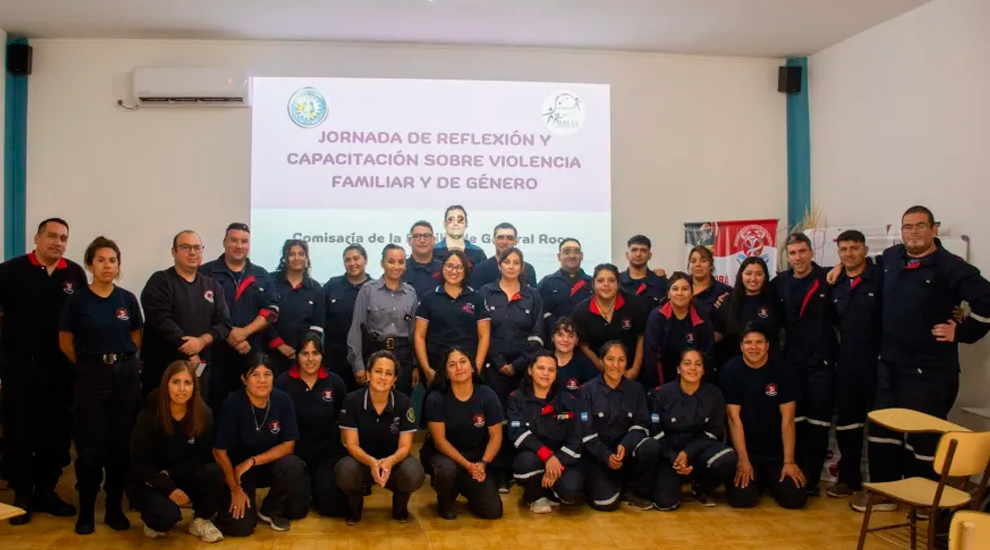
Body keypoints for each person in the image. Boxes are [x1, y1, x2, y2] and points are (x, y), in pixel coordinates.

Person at [848, 206, 990, 512]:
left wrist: (962, 330)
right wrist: (836, 270)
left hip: (930, 371)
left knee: (924, 437)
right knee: (883, 430)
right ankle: (885, 493)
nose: (913, 232)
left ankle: (926, 501)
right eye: (908, 227)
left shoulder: (950, 265)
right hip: (889, 365)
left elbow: (986, 298)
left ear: (933, 229)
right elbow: (867, 266)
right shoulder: (893, 257)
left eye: (920, 226)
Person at [0, 218, 87, 524]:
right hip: (20, 372)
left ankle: (47, 491)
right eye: (51, 236)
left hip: (61, 373)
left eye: (63, 237)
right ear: (37, 238)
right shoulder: (10, 271)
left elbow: (82, 319)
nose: (58, 242)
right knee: (21, 433)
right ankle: (22, 494)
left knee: (56, 435)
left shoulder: (74, 274)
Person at [59, 236, 143, 534]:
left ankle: (114, 508)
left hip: (125, 377)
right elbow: (66, 343)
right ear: (90, 264)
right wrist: (93, 364)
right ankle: (85, 512)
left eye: (113, 260)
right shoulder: (77, 301)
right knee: (91, 447)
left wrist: (120, 363)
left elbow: (135, 338)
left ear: (118, 266)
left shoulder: (127, 299)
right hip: (91, 377)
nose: (108, 266)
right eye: (101, 260)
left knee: (120, 447)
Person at [128, 361, 225, 542]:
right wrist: (167, 486)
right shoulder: (149, 415)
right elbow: (138, 462)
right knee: (165, 520)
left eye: (187, 383)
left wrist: (172, 474)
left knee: (215, 472)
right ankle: (153, 520)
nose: (181, 389)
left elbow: (201, 456)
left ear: (195, 387)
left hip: (181, 473)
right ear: (166, 384)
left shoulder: (204, 414)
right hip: (149, 480)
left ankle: (200, 519)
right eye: (176, 382)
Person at [772, 233, 837, 496]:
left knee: (818, 423)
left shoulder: (828, 279)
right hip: (791, 362)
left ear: (811, 252)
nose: (797, 257)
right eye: (793, 253)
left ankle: (811, 479)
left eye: (802, 251)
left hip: (822, 361)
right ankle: (793, 472)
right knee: (793, 420)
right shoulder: (780, 283)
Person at [213, 356, 309, 535]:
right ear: (244, 379)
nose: (262, 380)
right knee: (239, 528)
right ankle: (225, 504)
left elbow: (288, 445)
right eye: (255, 375)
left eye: (267, 374)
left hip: (265, 464)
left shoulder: (283, 400)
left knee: (293, 465)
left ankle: (270, 509)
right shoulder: (232, 405)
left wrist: (252, 461)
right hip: (238, 471)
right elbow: (219, 452)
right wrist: (235, 489)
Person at [721, 323, 807, 510]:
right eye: (748, 342)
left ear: (767, 345)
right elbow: (733, 419)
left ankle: (769, 479)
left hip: (776, 451)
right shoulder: (730, 370)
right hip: (746, 450)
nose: (754, 347)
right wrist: (743, 460)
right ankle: (758, 479)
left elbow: (788, 420)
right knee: (741, 500)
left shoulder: (783, 370)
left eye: (759, 342)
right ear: (741, 346)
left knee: (795, 500)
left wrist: (789, 461)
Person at [479, 246, 544, 492]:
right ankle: (497, 472)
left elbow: (537, 335)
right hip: (492, 369)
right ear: (500, 265)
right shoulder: (486, 293)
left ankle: (515, 470)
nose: (511, 266)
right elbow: (484, 332)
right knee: (496, 421)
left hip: (522, 370)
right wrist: (499, 363)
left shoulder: (533, 295)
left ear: (522, 267)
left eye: (517, 263)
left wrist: (518, 364)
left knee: (518, 419)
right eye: (507, 262)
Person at [336, 351, 425, 525]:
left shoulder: (404, 402)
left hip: (394, 463)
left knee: (413, 472)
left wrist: (390, 461)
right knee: (344, 470)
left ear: (394, 380)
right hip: (362, 462)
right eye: (378, 371)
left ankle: (400, 508)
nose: (383, 377)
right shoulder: (352, 401)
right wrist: (372, 463)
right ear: (368, 374)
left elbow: (405, 447)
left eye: (388, 373)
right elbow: (351, 445)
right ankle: (354, 508)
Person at [825, 230, 882, 499]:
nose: (849, 253)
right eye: (843, 249)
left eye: (854, 248)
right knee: (848, 424)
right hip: (845, 363)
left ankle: (884, 486)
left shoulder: (881, 277)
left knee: (883, 427)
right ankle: (849, 480)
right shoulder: (833, 283)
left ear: (865, 249)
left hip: (878, 363)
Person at [141, 230, 232, 397]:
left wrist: (201, 341)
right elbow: (161, 320)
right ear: (173, 251)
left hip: (199, 368)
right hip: (163, 367)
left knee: (197, 417)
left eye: (197, 248)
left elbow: (224, 323)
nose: (192, 252)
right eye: (185, 247)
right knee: (160, 418)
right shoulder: (160, 281)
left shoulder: (213, 286)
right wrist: (191, 350)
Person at [198, 223, 278, 411]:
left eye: (244, 241)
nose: (239, 246)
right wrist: (231, 337)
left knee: (248, 409)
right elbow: (201, 311)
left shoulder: (261, 275)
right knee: (211, 407)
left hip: (250, 355)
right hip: (214, 355)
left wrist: (243, 332)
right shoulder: (205, 272)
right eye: (234, 240)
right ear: (224, 242)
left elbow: (271, 312)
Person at [420, 347, 504, 520]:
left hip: (476, 458)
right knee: (447, 471)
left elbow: (496, 436)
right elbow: (440, 442)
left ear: (472, 367)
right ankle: (445, 500)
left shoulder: (487, 395)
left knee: (493, 511)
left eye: (463, 362)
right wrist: (468, 465)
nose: (459, 367)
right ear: (446, 372)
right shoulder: (436, 398)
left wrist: (483, 464)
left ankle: (466, 487)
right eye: (452, 364)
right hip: (443, 456)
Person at [649, 349, 735, 511]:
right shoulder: (662, 394)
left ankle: (701, 486)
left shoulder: (714, 394)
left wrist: (688, 453)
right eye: (687, 363)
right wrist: (675, 457)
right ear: (678, 369)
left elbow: (713, 432)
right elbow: (656, 433)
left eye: (698, 364)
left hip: (700, 450)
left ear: (703, 369)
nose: (693, 368)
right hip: (670, 454)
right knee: (666, 503)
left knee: (727, 458)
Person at [274, 334, 349, 518]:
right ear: (296, 356)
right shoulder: (282, 383)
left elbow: (345, 421)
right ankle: (304, 488)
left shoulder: (335, 383)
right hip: (295, 456)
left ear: (322, 355)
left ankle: (318, 488)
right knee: (294, 512)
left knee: (333, 507)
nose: (310, 359)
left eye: (315, 353)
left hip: (326, 455)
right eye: (304, 353)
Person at [579, 341, 659, 511]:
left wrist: (625, 445)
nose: (616, 365)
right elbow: (586, 433)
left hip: (626, 453)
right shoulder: (586, 390)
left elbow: (642, 424)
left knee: (651, 445)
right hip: (598, 456)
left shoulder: (636, 389)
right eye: (610, 359)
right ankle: (601, 486)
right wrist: (606, 455)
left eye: (621, 360)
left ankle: (633, 491)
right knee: (605, 504)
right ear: (601, 361)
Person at [507, 350, 585, 514]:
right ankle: (534, 496)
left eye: (551, 370)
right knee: (524, 464)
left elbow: (576, 437)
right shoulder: (517, 398)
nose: (545, 374)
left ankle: (552, 490)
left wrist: (556, 461)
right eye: (541, 368)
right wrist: (547, 456)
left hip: (562, 461)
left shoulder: (567, 400)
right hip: (534, 457)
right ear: (530, 370)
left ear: (556, 374)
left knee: (571, 493)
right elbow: (517, 433)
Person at [348, 244, 419, 395]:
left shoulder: (411, 293)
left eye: (401, 262)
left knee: (401, 403)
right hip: (375, 353)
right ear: (382, 263)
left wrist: (415, 365)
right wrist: (358, 365)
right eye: (391, 261)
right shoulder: (368, 290)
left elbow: (413, 333)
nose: (396, 266)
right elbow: (356, 329)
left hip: (403, 357)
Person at [413, 250, 491, 385]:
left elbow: (484, 336)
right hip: (436, 366)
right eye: (449, 266)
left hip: (467, 367)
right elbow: (419, 336)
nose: (454, 271)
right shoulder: (429, 297)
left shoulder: (477, 298)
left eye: (459, 267)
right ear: (442, 268)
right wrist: (426, 369)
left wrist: (476, 368)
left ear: (466, 270)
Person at [572, 264, 647, 380]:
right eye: (600, 281)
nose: (606, 284)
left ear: (618, 284)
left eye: (611, 280)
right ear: (593, 284)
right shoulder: (582, 311)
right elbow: (584, 347)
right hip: (598, 374)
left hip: (631, 372)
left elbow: (641, 337)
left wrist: (635, 370)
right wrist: (606, 370)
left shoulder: (635, 304)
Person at [643, 272, 713, 388]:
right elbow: (652, 356)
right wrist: (660, 388)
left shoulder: (702, 317)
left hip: (695, 381)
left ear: (692, 293)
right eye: (675, 289)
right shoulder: (657, 317)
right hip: (663, 382)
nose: (680, 293)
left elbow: (707, 355)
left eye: (685, 289)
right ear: (668, 293)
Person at [267, 239, 325, 375]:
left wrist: (304, 350)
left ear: (306, 258)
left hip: (303, 358)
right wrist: (280, 345)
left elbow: (318, 325)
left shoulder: (316, 289)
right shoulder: (271, 282)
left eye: (301, 254)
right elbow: (264, 317)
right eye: (291, 254)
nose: (297, 258)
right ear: (285, 258)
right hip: (272, 354)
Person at [713, 257, 783, 370]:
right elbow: (718, 334)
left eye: (759, 274)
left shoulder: (774, 301)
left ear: (765, 277)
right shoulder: (728, 301)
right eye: (748, 273)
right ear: (741, 276)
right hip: (734, 369)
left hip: (769, 369)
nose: (753, 279)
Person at [323, 244, 371, 390]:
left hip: (365, 359)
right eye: (347, 260)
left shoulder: (374, 287)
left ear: (366, 260)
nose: (352, 263)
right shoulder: (332, 285)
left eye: (356, 258)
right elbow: (321, 318)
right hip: (335, 358)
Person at [538, 238, 592, 338]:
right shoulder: (547, 283)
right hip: (556, 342)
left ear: (581, 256)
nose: (572, 256)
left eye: (576, 252)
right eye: (567, 252)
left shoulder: (592, 283)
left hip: (586, 341)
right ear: (559, 256)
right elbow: (539, 313)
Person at [471, 223, 538, 288]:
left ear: (515, 241)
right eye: (500, 237)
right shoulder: (480, 269)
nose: (505, 242)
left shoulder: (528, 269)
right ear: (493, 240)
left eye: (510, 238)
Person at [550, 317, 599, 393]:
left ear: (577, 340)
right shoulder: (543, 360)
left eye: (571, 336)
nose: (565, 339)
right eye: (560, 335)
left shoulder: (585, 365)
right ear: (553, 337)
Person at [619, 235, 668, 309]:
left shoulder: (661, 282)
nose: (638, 254)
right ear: (627, 255)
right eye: (634, 250)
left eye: (643, 250)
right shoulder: (616, 281)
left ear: (650, 255)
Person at [687, 245, 732, 319]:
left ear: (711, 265)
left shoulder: (724, 292)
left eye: (703, 260)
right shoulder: (681, 287)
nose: (698, 264)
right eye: (693, 261)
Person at [402, 220, 443, 299]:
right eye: (417, 236)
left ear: (434, 240)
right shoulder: (400, 268)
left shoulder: (444, 269)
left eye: (426, 236)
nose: (422, 240)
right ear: (410, 241)